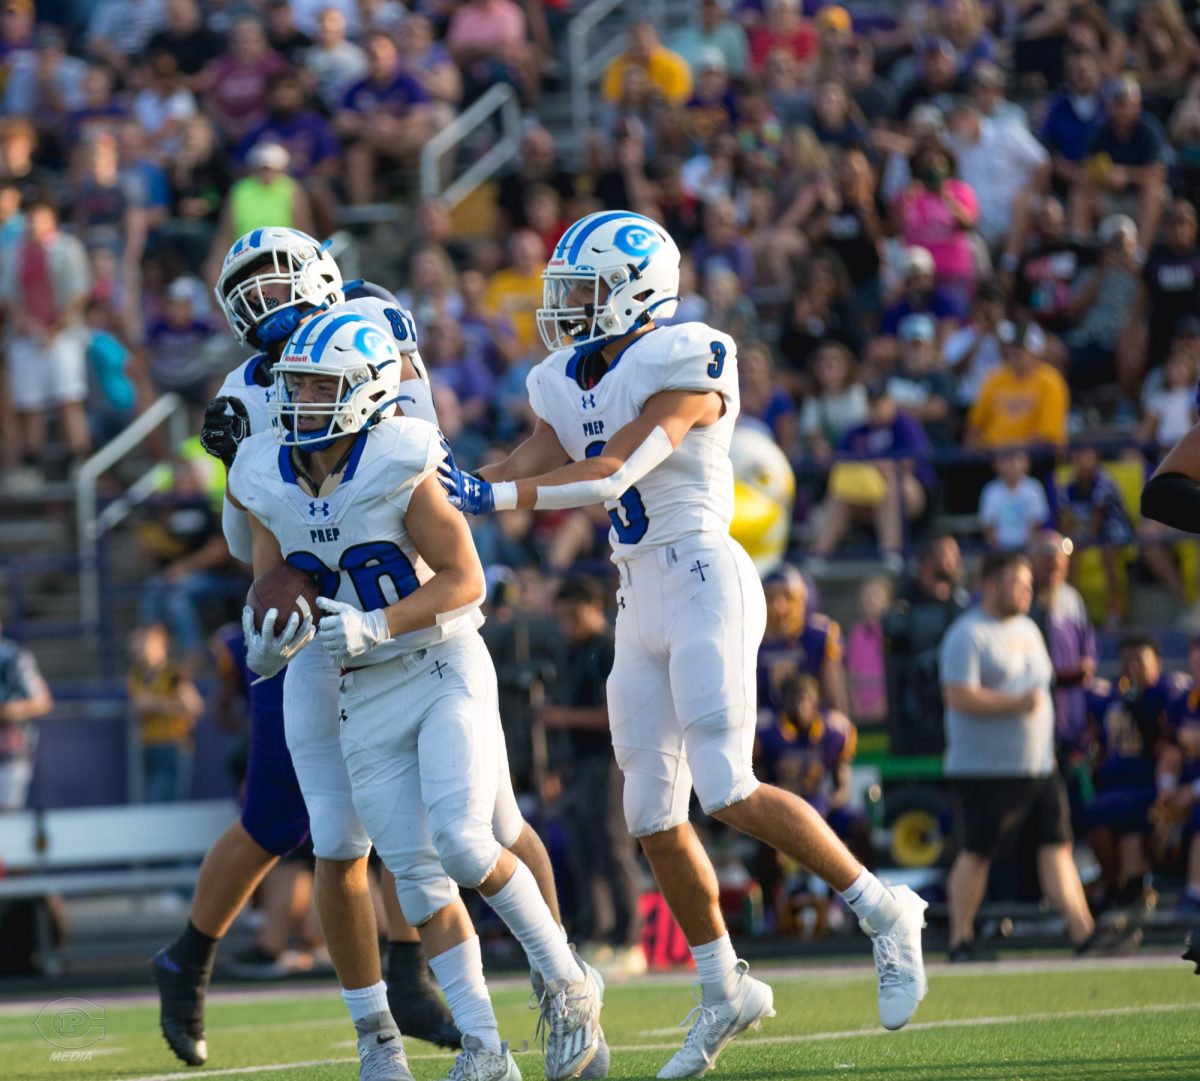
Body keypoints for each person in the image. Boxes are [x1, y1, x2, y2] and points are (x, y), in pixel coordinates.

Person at [440, 210, 928, 1076]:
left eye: (584, 292)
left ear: (636, 292)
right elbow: (540, 452)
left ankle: (886, 909)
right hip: (638, 593)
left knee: (728, 784)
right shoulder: (563, 377)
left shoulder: (690, 356)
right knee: (653, 816)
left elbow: (614, 468)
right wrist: (452, 489)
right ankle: (723, 985)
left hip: (705, 575)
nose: (570, 309)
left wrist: (494, 500)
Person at [229, 310, 603, 1081]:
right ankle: (486, 1048)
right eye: (295, 383)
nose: (298, 399)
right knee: (418, 878)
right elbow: (270, 579)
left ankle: (566, 981)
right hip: (359, 692)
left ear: (366, 392)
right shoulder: (265, 469)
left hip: (438, 666)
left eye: (317, 385)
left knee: (467, 840)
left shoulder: (400, 454)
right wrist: (268, 638)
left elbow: (467, 581)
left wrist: (377, 623)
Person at [940, 550, 1138, 961]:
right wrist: (1013, 705)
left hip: (1037, 767)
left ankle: (1083, 935)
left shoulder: (1029, 628)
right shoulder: (968, 634)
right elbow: (958, 695)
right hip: (987, 771)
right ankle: (960, 941)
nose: (1028, 590)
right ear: (992, 585)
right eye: (1019, 583)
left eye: (1029, 583)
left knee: (1057, 847)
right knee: (975, 854)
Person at [543, 576, 644, 978]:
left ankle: (630, 940)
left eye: (572, 614)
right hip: (579, 765)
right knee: (584, 851)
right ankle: (598, 934)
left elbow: (613, 716)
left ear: (593, 608)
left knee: (614, 850)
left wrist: (558, 718)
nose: (566, 623)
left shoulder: (608, 649)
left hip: (609, 762)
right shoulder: (571, 652)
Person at [882, 535, 970, 756]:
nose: (955, 561)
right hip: (916, 716)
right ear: (927, 561)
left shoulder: (963, 604)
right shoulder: (903, 606)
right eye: (947, 554)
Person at [128, 623, 204, 803]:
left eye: (142, 642)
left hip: (172, 746)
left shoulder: (173, 673)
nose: (136, 648)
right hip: (148, 746)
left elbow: (194, 707)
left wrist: (156, 703)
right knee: (149, 803)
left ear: (158, 644)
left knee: (166, 801)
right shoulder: (136, 674)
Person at [0, 607, 53, 812]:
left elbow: (42, 702)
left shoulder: (14, 658)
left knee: (6, 821)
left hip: (10, 752)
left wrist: (8, 710)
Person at [979, 449, 1050, 552]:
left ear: (1026, 463)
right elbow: (989, 528)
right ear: (995, 464)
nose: (1011, 464)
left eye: (1015, 458)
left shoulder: (1034, 488)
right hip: (1000, 552)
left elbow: (1037, 524)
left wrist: (1029, 549)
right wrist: (997, 552)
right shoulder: (990, 491)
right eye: (1005, 459)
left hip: (1029, 550)